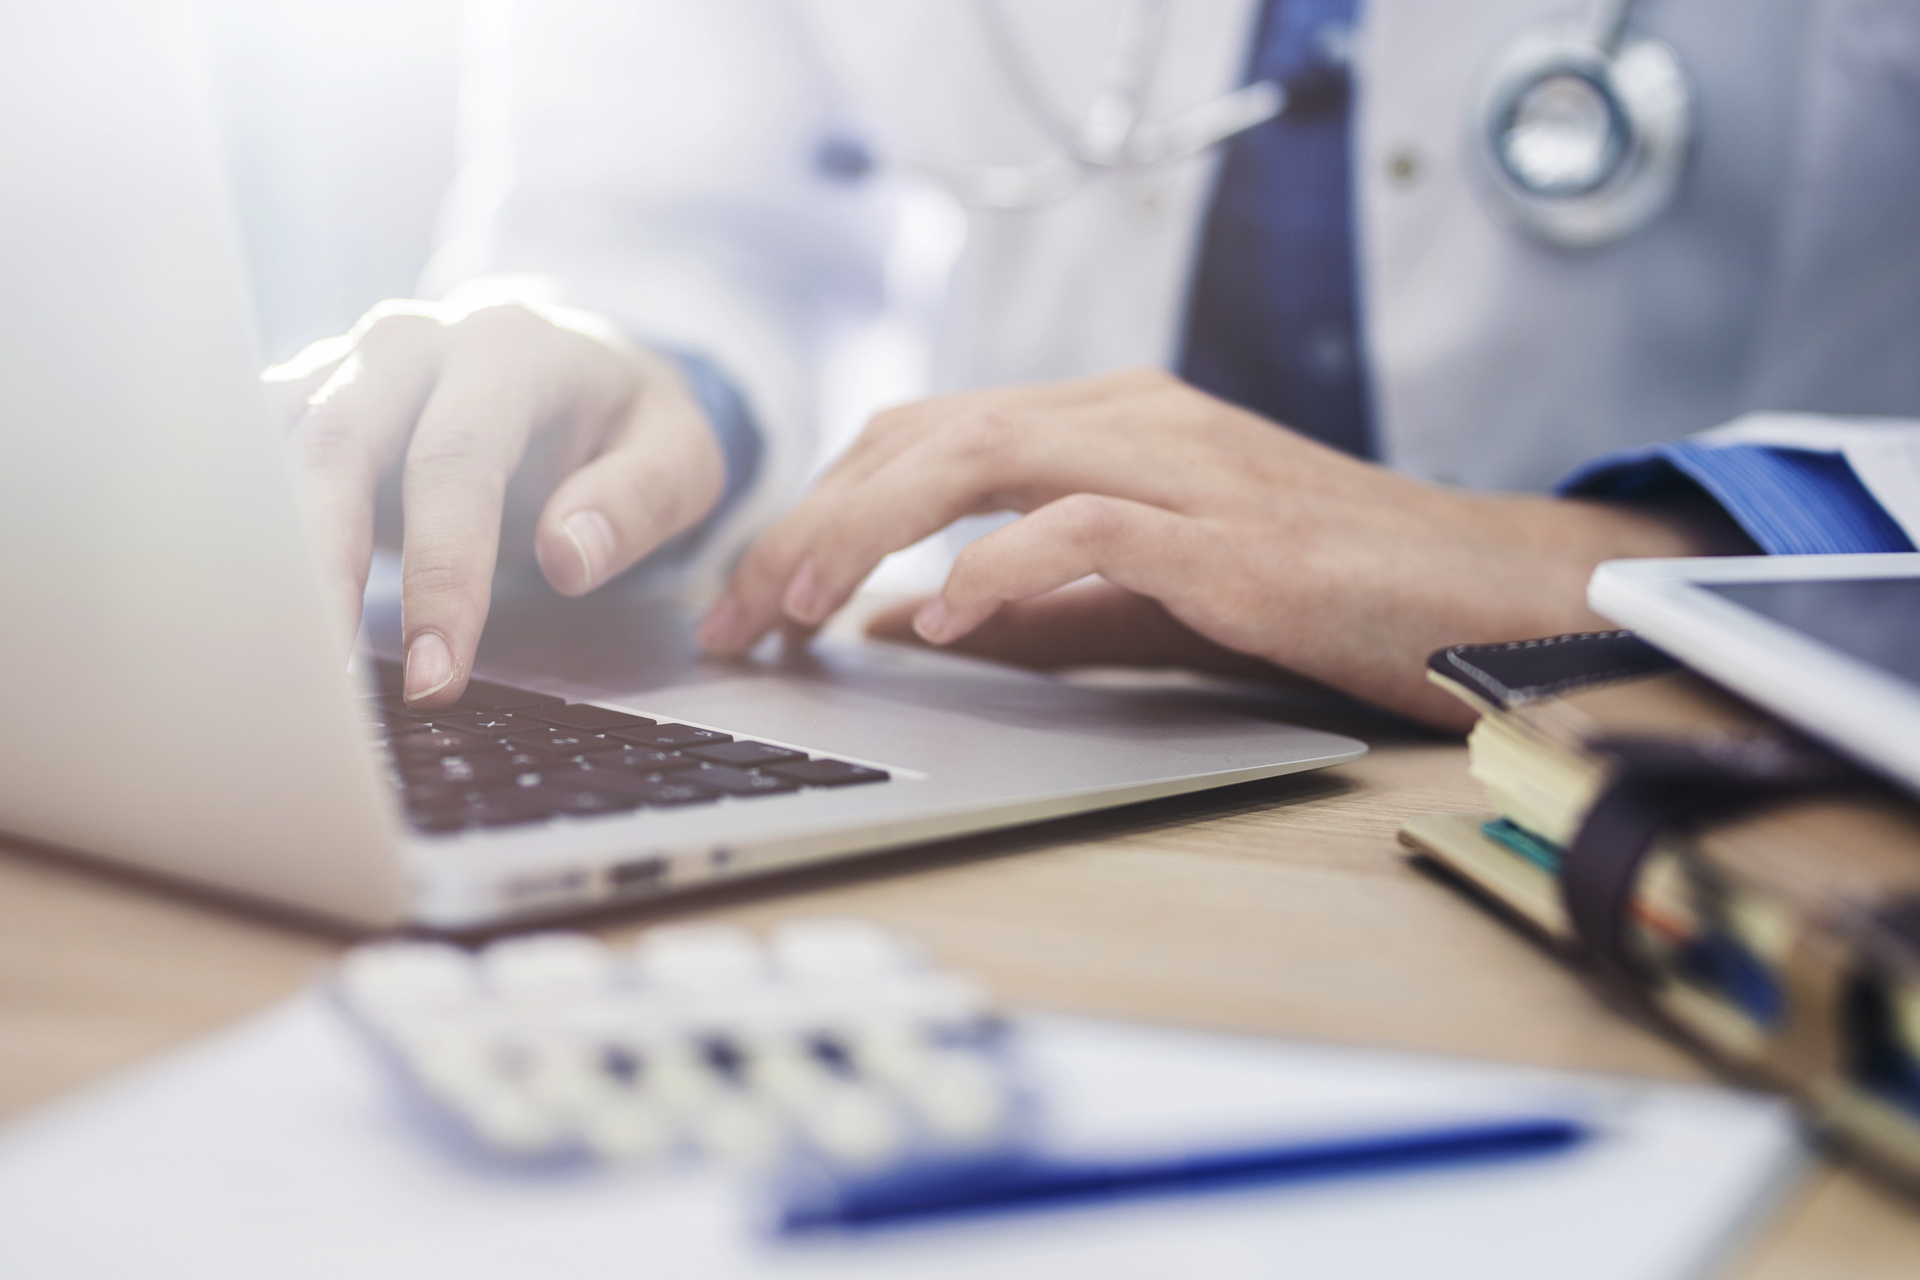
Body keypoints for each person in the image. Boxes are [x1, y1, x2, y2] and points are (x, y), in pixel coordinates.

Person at [269, 0, 1920, 731]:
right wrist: (657, 376)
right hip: (1047, 727)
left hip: (1705, 772)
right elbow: (690, 206)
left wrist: (1620, 562)